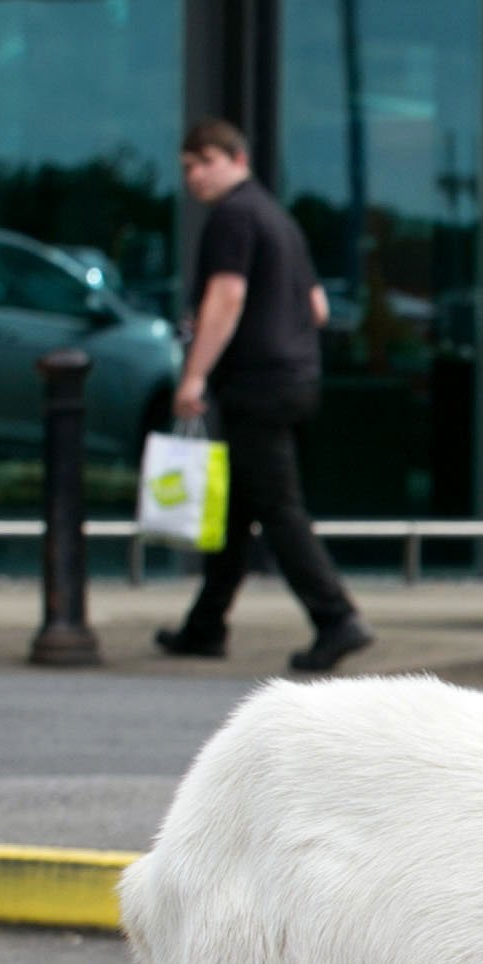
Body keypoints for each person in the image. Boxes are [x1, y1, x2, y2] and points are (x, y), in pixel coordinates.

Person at [153, 120, 370, 672]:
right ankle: (205, 626)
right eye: (187, 167)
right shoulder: (277, 217)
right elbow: (317, 308)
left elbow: (226, 297)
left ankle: (336, 617)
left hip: (257, 385)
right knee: (236, 512)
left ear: (235, 158)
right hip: (294, 381)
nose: (194, 176)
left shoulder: (232, 216)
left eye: (203, 161)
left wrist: (193, 377)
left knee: (278, 510)